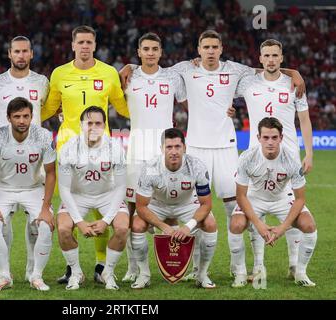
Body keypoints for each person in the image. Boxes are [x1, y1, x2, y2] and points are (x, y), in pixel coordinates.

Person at [120, 30, 305, 281]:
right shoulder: (184, 69)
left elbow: (267, 69)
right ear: (198, 50)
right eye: (205, 47)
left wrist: (293, 72)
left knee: (236, 209)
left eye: (214, 47)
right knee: (196, 210)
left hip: (226, 148)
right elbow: (151, 66)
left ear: (221, 49)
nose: (210, 51)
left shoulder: (235, 70)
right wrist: (130, 66)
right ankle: (195, 268)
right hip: (195, 148)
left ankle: (241, 268)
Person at [42, 25, 130, 284]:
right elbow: (47, 109)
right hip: (68, 148)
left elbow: (124, 107)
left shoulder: (109, 72)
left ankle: (102, 265)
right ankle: (73, 268)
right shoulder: (59, 74)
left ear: (95, 44)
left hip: (103, 148)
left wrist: (137, 71)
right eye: (80, 42)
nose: (84, 46)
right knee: (74, 203)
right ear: (72, 45)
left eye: (89, 42)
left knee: (101, 211)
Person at [234, 39, 314, 282]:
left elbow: (305, 119)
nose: (270, 59)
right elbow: (220, 78)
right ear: (260, 59)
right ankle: (258, 266)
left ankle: (293, 265)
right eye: (266, 55)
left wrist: (309, 152)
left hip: (287, 157)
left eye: (275, 55)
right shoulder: (247, 82)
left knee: (290, 209)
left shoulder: (293, 84)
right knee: (257, 210)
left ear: (282, 57)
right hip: (256, 157)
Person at [122, 32, 187, 282]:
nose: (150, 53)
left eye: (155, 49)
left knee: (170, 207)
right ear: (139, 52)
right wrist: (127, 67)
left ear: (161, 52)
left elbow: (188, 104)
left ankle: (174, 263)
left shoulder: (172, 77)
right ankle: (132, 267)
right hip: (137, 149)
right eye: (146, 49)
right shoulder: (128, 76)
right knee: (130, 209)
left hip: (165, 151)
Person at [0, 36, 50, 283]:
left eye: (25, 51)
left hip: (35, 160)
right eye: (17, 51)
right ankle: (4, 270)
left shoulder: (42, 82)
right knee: (3, 220)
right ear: (9, 54)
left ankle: (32, 271)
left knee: (36, 222)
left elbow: (50, 108)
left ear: (32, 54)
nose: (21, 55)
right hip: (5, 160)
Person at [230, 117, 317, 287]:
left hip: (282, 198)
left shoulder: (291, 159)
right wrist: (260, 225)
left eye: (274, 138)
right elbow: (241, 196)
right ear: (258, 138)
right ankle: (240, 274)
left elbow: (300, 199)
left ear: (281, 138)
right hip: (254, 197)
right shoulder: (247, 157)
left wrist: (281, 229)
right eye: (266, 137)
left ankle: (300, 273)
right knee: (236, 224)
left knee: (309, 225)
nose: (270, 142)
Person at [0, 97, 56, 291]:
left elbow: (50, 173)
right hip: (3, 188)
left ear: (32, 117)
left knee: (46, 225)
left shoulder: (44, 136)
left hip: (33, 188)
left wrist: (46, 208)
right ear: (8, 118)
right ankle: (4, 276)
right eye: (17, 117)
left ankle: (36, 276)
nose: (22, 121)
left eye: (26, 116)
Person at [131, 128, 217, 289]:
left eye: (177, 147)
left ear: (184, 148)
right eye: (169, 147)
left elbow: (206, 204)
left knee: (210, 223)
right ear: (162, 149)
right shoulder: (150, 168)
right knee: (137, 225)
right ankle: (144, 274)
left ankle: (202, 274)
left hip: (187, 204)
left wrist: (187, 227)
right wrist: (164, 227)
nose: (174, 151)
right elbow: (141, 206)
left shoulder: (196, 166)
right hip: (157, 205)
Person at [57, 106, 129, 290]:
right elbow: (64, 189)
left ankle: (108, 272)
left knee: (122, 227)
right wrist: (79, 222)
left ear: (104, 125)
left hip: (108, 194)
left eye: (98, 123)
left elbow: (121, 187)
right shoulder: (68, 149)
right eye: (89, 123)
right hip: (77, 195)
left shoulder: (115, 148)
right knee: (64, 228)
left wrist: (105, 221)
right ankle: (76, 272)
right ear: (81, 125)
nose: (93, 127)